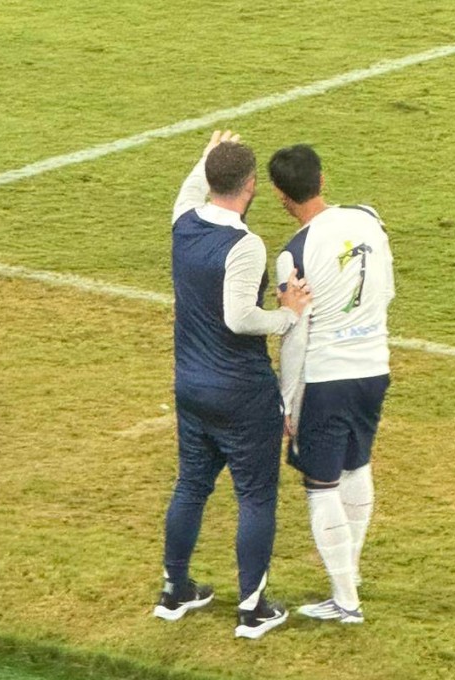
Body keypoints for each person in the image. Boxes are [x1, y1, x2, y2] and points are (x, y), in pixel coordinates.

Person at [155, 130, 310, 640]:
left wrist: (208, 155)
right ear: (250, 186)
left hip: (191, 386)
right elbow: (240, 317)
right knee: (256, 497)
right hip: (241, 392)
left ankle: (175, 590)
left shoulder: (183, 221)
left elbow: (190, 187)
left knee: (191, 486)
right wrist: (287, 316)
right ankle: (252, 609)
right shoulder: (245, 245)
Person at [269, 144, 394, 624]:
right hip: (374, 365)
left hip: (326, 377)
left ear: (280, 196)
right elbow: (387, 288)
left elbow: (295, 334)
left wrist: (286, 402)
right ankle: (350, 575)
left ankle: (346, 601)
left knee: (321, 485)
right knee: (357, 465)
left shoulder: (293, 255)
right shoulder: (368, 217)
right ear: (322, 179)